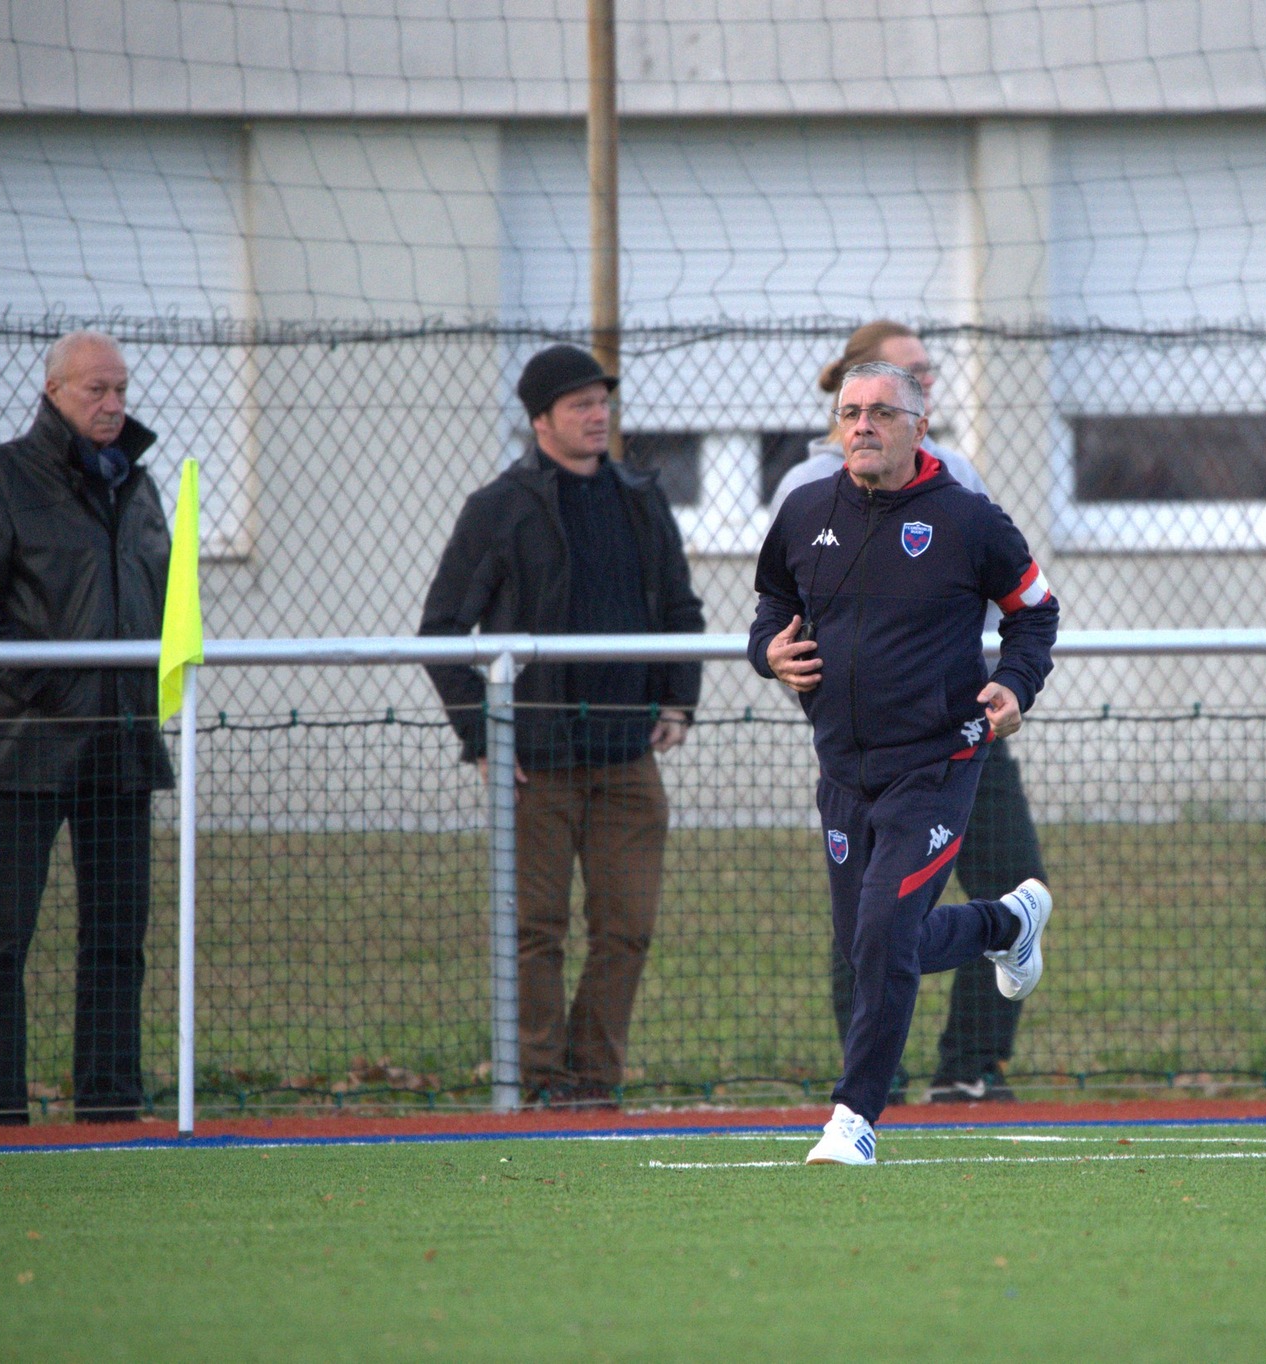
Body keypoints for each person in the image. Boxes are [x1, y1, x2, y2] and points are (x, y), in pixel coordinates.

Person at [750, 359, 1060, 1164]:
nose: (862, 426)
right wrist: (769, 654)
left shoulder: (968, 520)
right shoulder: (805, 510)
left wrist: (1014, 684)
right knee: (874, 945)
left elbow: (1035, 613)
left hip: (937, 762)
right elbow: (771, 612)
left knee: (887, 933)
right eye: (850, 412)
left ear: (919, 427)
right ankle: (1006, 923)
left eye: (882, 412)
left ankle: (853, 1120)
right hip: (843, 769)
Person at [421, 344, 705, 1108]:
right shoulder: (499, 508)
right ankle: (540, 1084)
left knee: (627, 930)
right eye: (580, 403)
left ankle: (594, 1081)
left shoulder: (640, 497)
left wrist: (679, 700)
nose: (597, 413)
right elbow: (442, 629)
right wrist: (484, 734)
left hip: (626, 758)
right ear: (540, 419)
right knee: (533, 932)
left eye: (602, 400)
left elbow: (680, 609)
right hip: (535, 763)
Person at [0, 331, 174, 1126]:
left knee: (115, 941)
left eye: (121, 391)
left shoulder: (139, 489)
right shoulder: (0, 480)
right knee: (3, 941)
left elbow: (163, 604)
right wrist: (52, 685)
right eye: (95, 390)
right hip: (26, 752)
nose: (111, 405)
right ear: (55, 391)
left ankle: (110, 1106)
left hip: (122, 748)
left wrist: (141, 690)